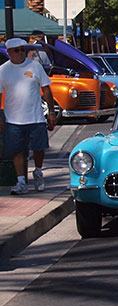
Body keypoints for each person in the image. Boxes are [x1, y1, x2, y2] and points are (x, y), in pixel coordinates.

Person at [0, 38, 58, 195]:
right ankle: (21, 182)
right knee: (17, 151)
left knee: (39, 148)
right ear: (10, 52)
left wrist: (51, 112)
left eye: (22, 50)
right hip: (13, 119)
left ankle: (38, 172)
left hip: (36, 117)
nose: (20, 53)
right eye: (17, 50)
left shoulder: (35, 66)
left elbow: (46, 89)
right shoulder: (3, 70)